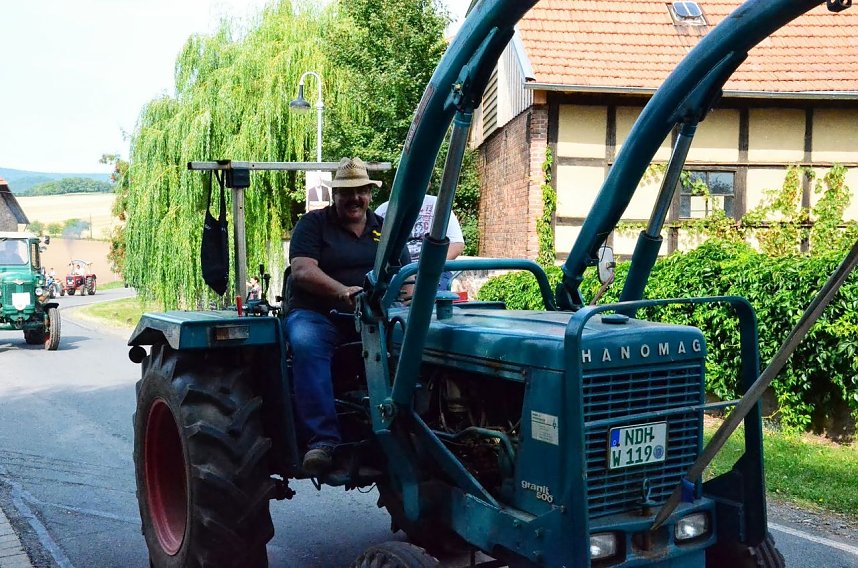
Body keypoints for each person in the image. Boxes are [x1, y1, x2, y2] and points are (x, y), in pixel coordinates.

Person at [285, 157, 410, 476]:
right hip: (320, 314)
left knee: (414, 340)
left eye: (361, 191)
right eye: (346, 192)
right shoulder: (312, 225)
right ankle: (323, 440)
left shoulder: (385, 229)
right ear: (334, 195)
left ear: (370, 194)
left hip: (373, 316)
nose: (355, 198)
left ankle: (407, 430)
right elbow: (302, 270)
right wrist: (342, 291)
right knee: (306, 342)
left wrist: (409, 292)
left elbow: (406, 274)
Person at [375, 192, 465, 290]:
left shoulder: (439, 204)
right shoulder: (383, 209)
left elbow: (457, 245)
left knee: (432, 294)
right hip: (395, 270)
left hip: (433, 269)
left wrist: (428, 269)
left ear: (428, 184)